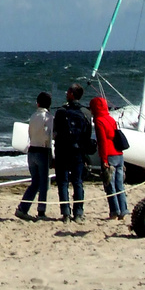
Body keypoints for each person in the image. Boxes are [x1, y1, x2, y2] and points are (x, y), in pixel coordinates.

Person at [52, 84, 94, 222]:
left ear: (71, 94)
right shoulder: (86, 112)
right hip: (78, 150)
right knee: (77, 182)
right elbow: (88, 135)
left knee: (63, 182)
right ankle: (78, 213)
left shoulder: (61, 111)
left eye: (68, 91)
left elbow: (55, 133)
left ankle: (65, 213)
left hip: (63, 150)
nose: (66, 93)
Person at [15, 92, 53, 221]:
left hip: (31, 150)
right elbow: (48, 135)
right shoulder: (48, 117)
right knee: (43, 184)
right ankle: (41, 211)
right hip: (42, 150)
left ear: (38, 103)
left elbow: (30, 133)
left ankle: (23, 207)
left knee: (35, 182)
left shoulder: (33, 116)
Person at [89, 95, 127, 221]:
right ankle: (123, 210)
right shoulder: (111, 119)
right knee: (119, 184)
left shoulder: (99, 121)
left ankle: (115, 210)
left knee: (109, 185)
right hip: (119, 154)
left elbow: (102, 142)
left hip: (109, 155)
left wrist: (104, 159)